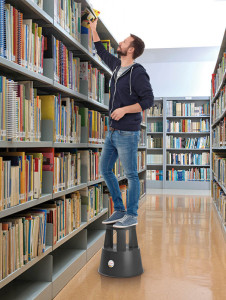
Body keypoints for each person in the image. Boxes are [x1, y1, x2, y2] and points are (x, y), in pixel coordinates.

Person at [89, 19, 154, 228]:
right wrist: (93, 28)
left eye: (125, 41)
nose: (121, 42)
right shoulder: (117, 66)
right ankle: (119, 209)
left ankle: (132, 215)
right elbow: (101, 51)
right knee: (105, 169)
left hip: (128, 132)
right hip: (113, 131)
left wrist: (125, 109)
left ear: (131, 49)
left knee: (131, 175)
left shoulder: (138, 72)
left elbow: (148, 101)